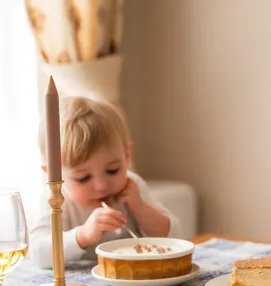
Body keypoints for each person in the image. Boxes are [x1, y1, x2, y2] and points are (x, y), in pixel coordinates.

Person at [29, 96, 181, 269]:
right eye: (83, 178)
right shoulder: (56, 198)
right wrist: (83, 235)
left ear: (127, 156)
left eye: (113, 170)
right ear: (53, 176)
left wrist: (140, 207)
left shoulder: (132, 187)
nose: (101, 185)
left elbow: (174, 236)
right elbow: (37, 254)